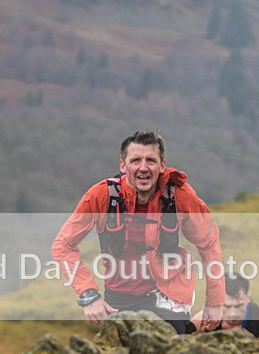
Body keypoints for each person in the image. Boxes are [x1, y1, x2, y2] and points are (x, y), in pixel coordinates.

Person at [52, 130, 225, 334]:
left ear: (162, 165)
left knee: (169, 345)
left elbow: (208, 242)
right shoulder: (102, 195)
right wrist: (89, 295)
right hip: (119, 295)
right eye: (136, 160)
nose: (143, 168)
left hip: (169, 293)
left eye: (150, 160)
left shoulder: (179, 196)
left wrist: (215, 303)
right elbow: (63, 245)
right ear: (123, 165)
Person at [191, 272, 259, 338]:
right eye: (226, 306)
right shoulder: (199, 323)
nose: (233, 314)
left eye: (239, 306)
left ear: (248, 298)